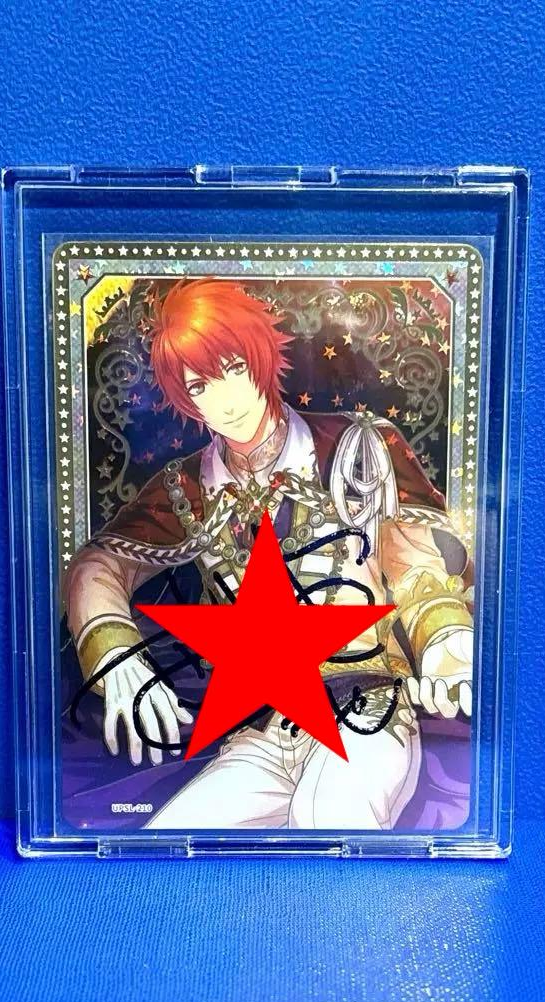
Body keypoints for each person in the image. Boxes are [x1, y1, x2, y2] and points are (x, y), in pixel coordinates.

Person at [64, 279, 473, 829]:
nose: (225, 399)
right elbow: (96, 565)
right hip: (260, 731)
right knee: (171, 839)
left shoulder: (357, 447)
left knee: (330, 818)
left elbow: (417, 569)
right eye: (200, 385)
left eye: (233, 368)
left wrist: (447, 642)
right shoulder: (186, 487)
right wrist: (114, 653)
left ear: (260, 358)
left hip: (368, 708)